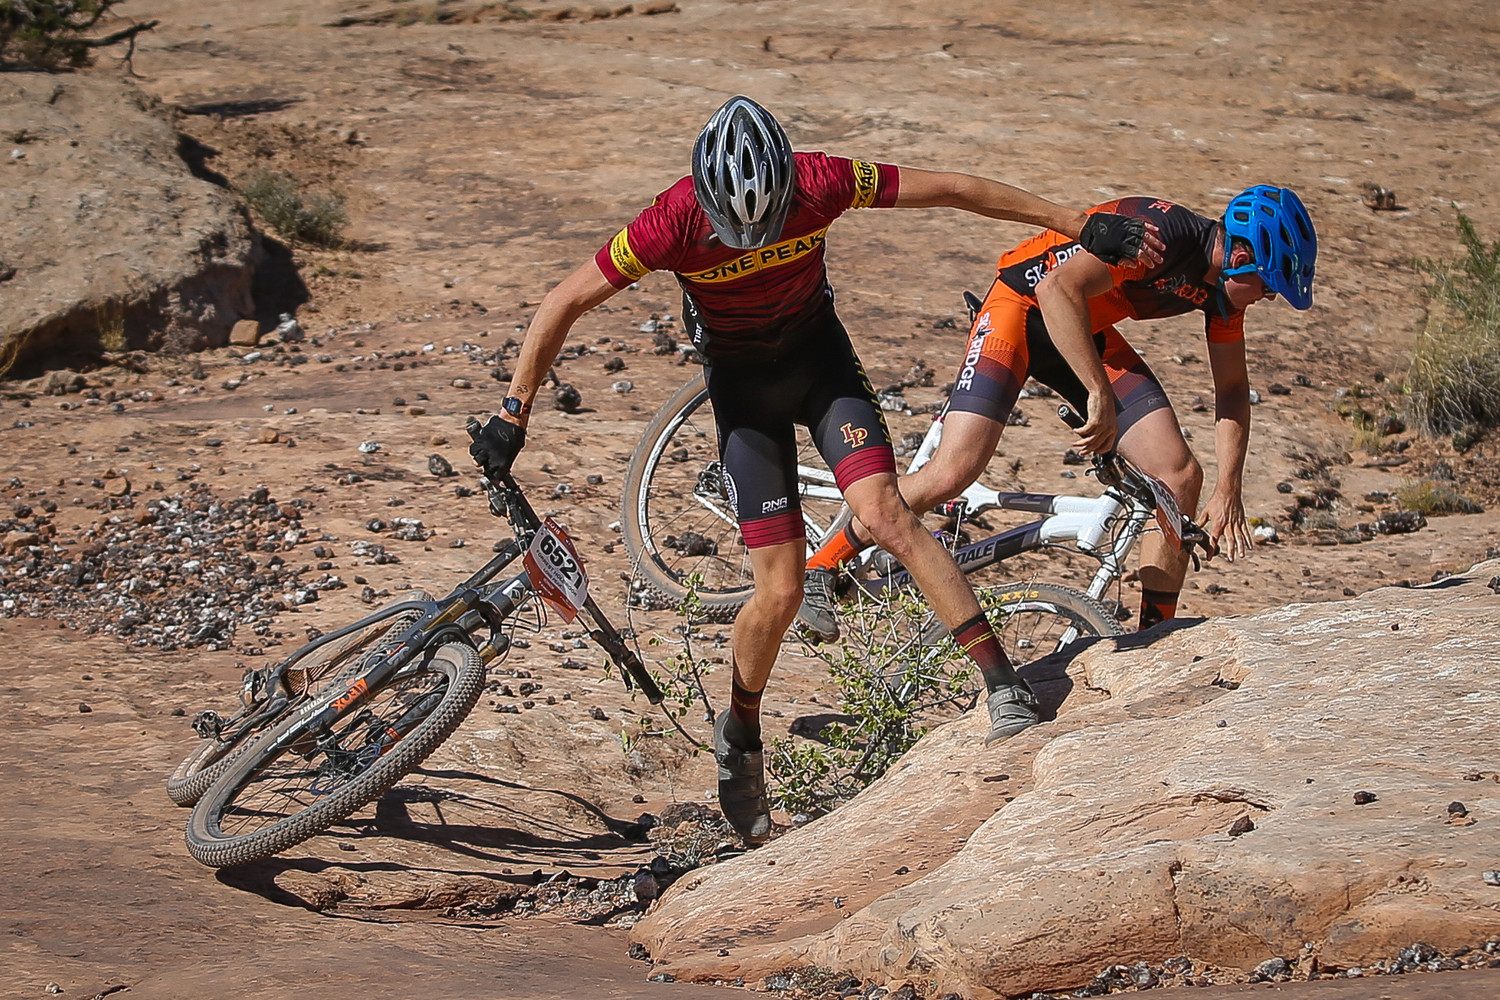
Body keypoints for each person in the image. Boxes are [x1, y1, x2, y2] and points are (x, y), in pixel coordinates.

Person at [468, 96, 1159, 845]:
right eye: (736, 230)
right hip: (743, 391)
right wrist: (514, 411)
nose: (755, 239)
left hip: (819, 365)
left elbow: (954, 188)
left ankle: (1003, 686)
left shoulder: (822, 179)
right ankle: (741, 730)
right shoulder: (667, 221)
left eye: (770, 225)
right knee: (782, 590)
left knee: (888, 514)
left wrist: (1076, 223)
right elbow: (565, 300)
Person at [803, 186, 1316, 634]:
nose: (1270, 297)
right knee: (952, 474)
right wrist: (1097, 392)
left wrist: (1229, 488)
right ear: (1241, 254)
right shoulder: (1161, 236)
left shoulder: (1224, 295)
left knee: (1179, 476)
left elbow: (1232, 389)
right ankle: (821, 567)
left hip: (1080, 329)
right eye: (1270, 284)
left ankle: (1156, 638)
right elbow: (1057, 288)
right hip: (1022, 308)